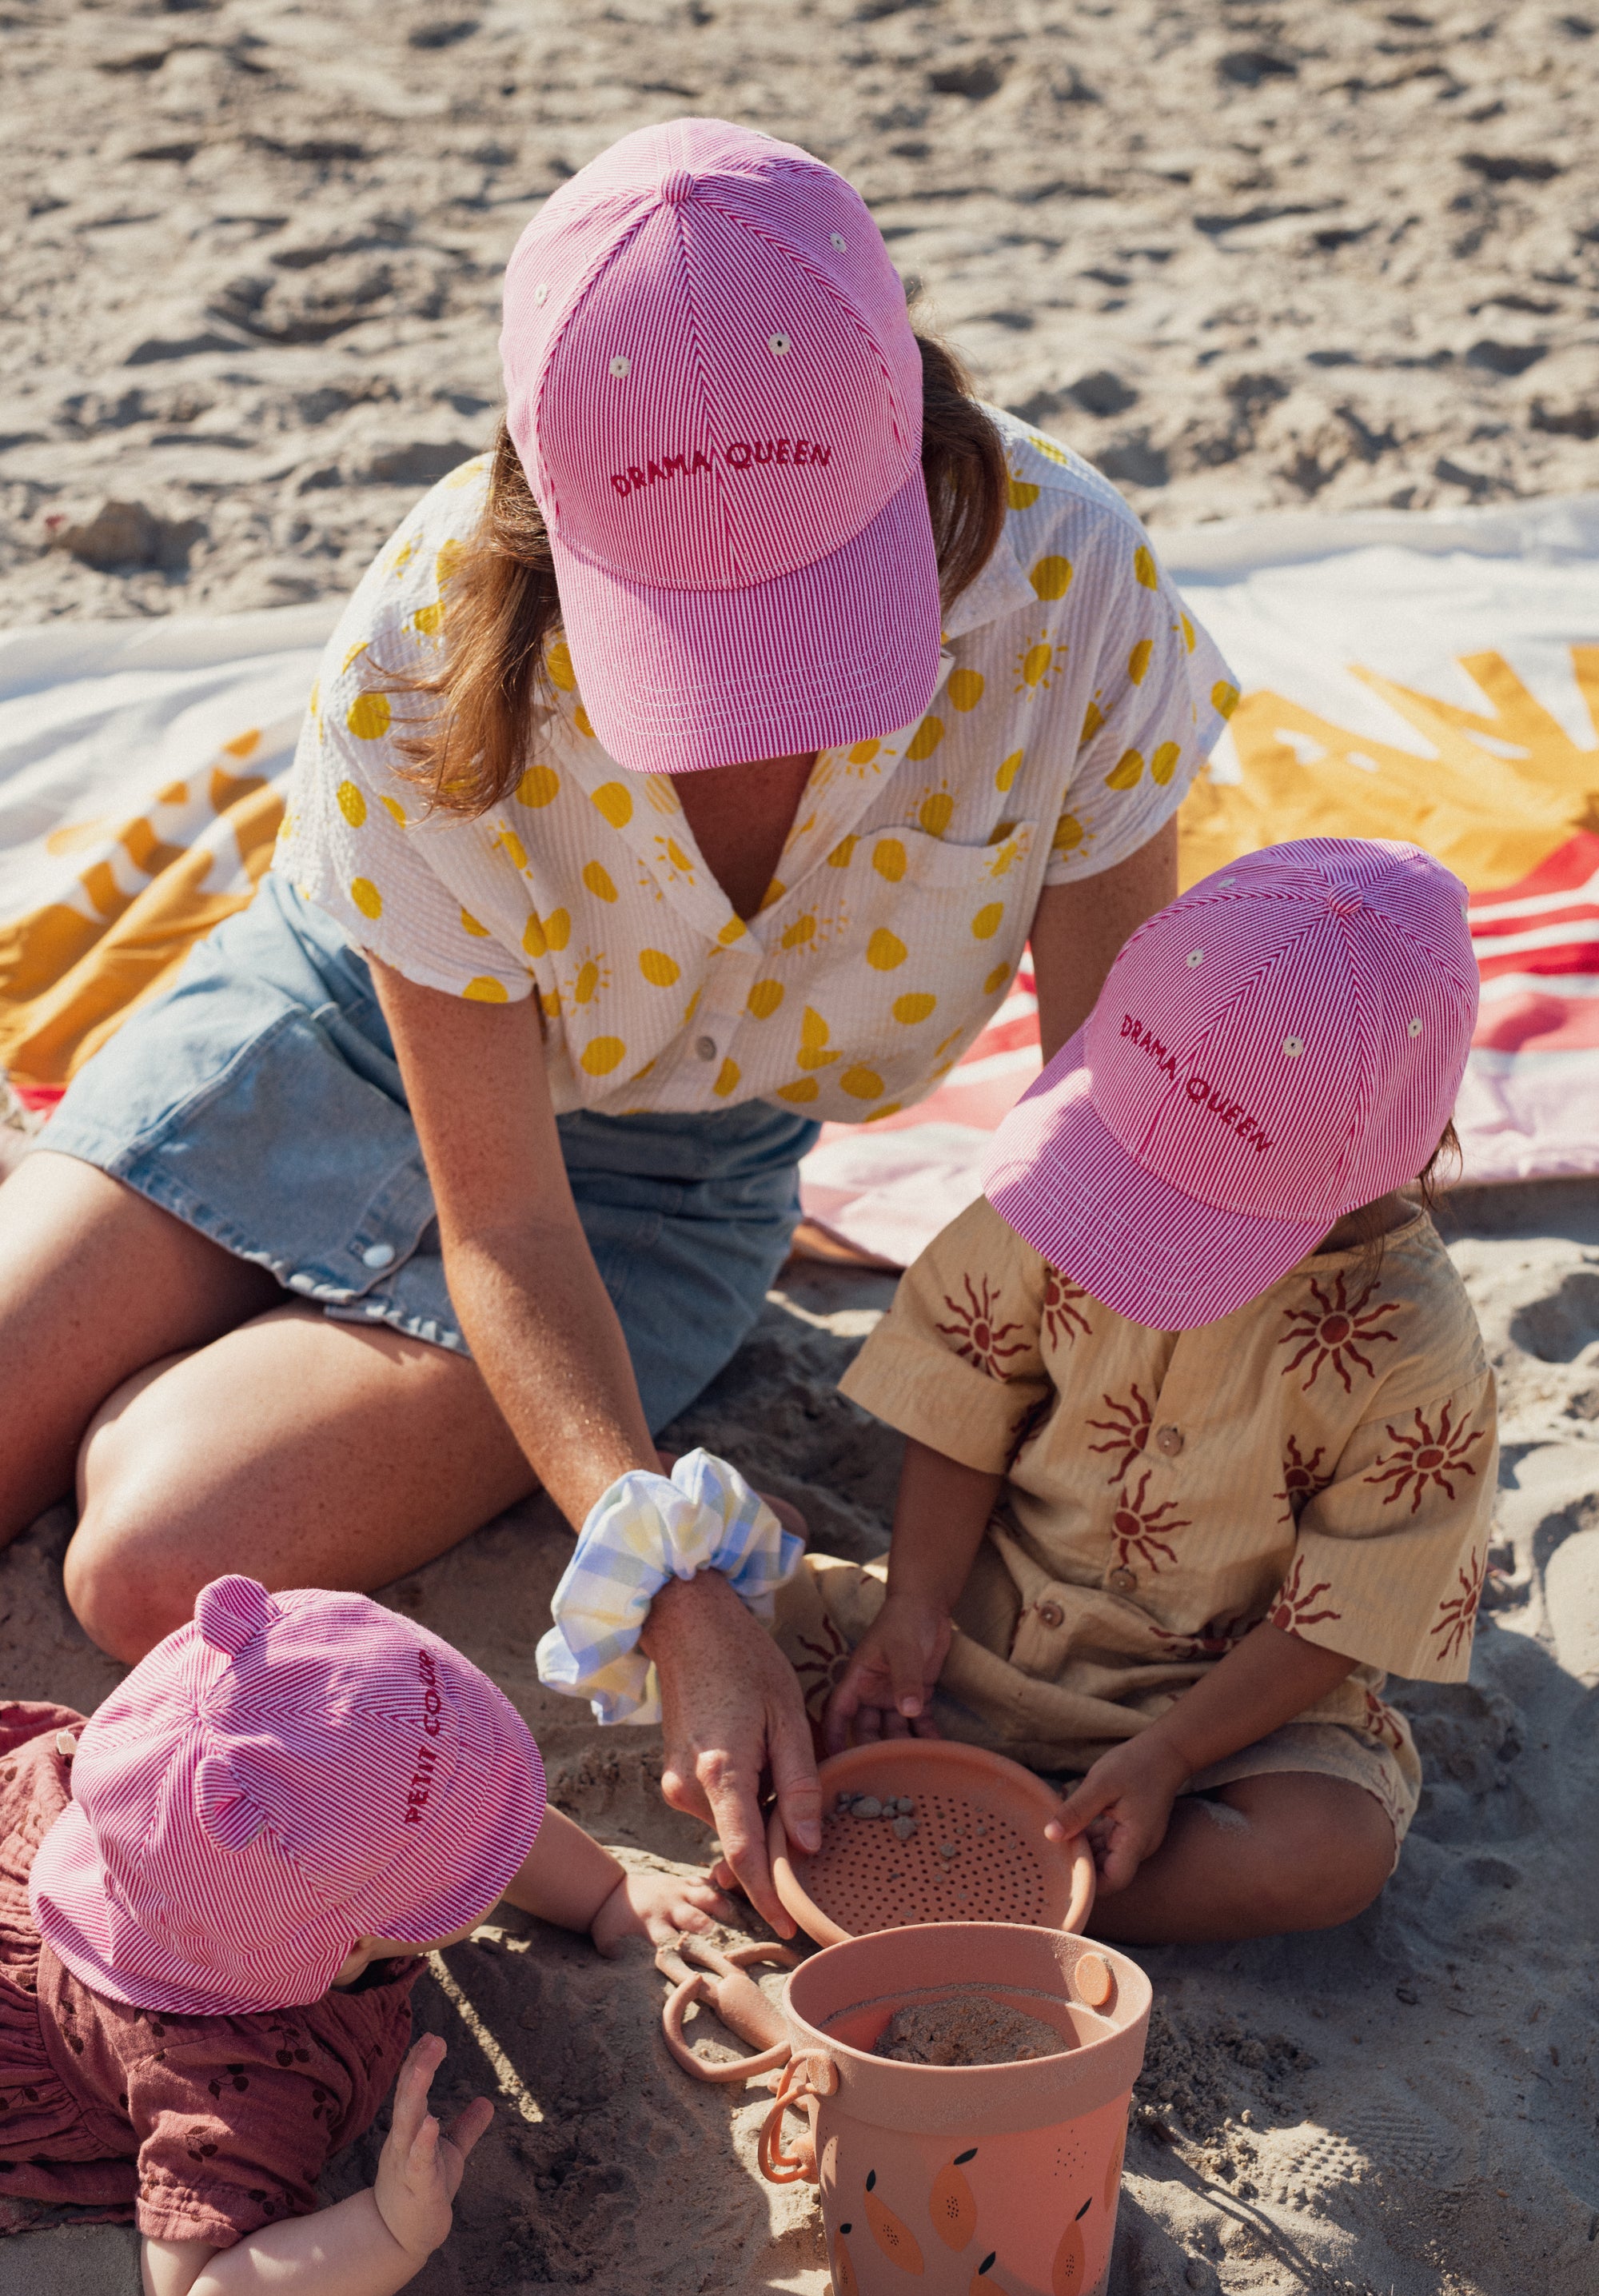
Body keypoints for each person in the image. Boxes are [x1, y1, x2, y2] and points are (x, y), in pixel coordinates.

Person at [0, 117, 1234, 1938]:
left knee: (149, 1551)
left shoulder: (1071, 592)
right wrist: (667, 1576)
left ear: (908, 431)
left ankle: (240, 1351)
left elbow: (1097, 1129)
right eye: (691, 627)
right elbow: (497, 1218)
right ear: (544, 504)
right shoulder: (425, 647)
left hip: (668, 1174)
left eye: (810, 613)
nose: (755, 712)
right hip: (325, 1034)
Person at [785, 838, 1497, 1941]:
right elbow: (968, 1387)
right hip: (978, 1628)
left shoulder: (1417, 1347)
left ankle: (1020, 1884)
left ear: (1397, 1153)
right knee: (737, 1619)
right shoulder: (1080, 1166)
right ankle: (1018, 1843)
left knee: (1328, 1850)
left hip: (1210, 1706)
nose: (1144, 1205)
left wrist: (1172, 1753)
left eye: (1201, 1211)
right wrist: (916, 1605)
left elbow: (1352, 1606)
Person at [0, 1571, 725, 2296]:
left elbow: (470, 1814)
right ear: (343, 1953)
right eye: (468, 1868)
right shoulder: (237, 2080)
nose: (505, 1845)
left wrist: (606, 1894)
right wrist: (385, 2232)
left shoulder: (189, 1802)